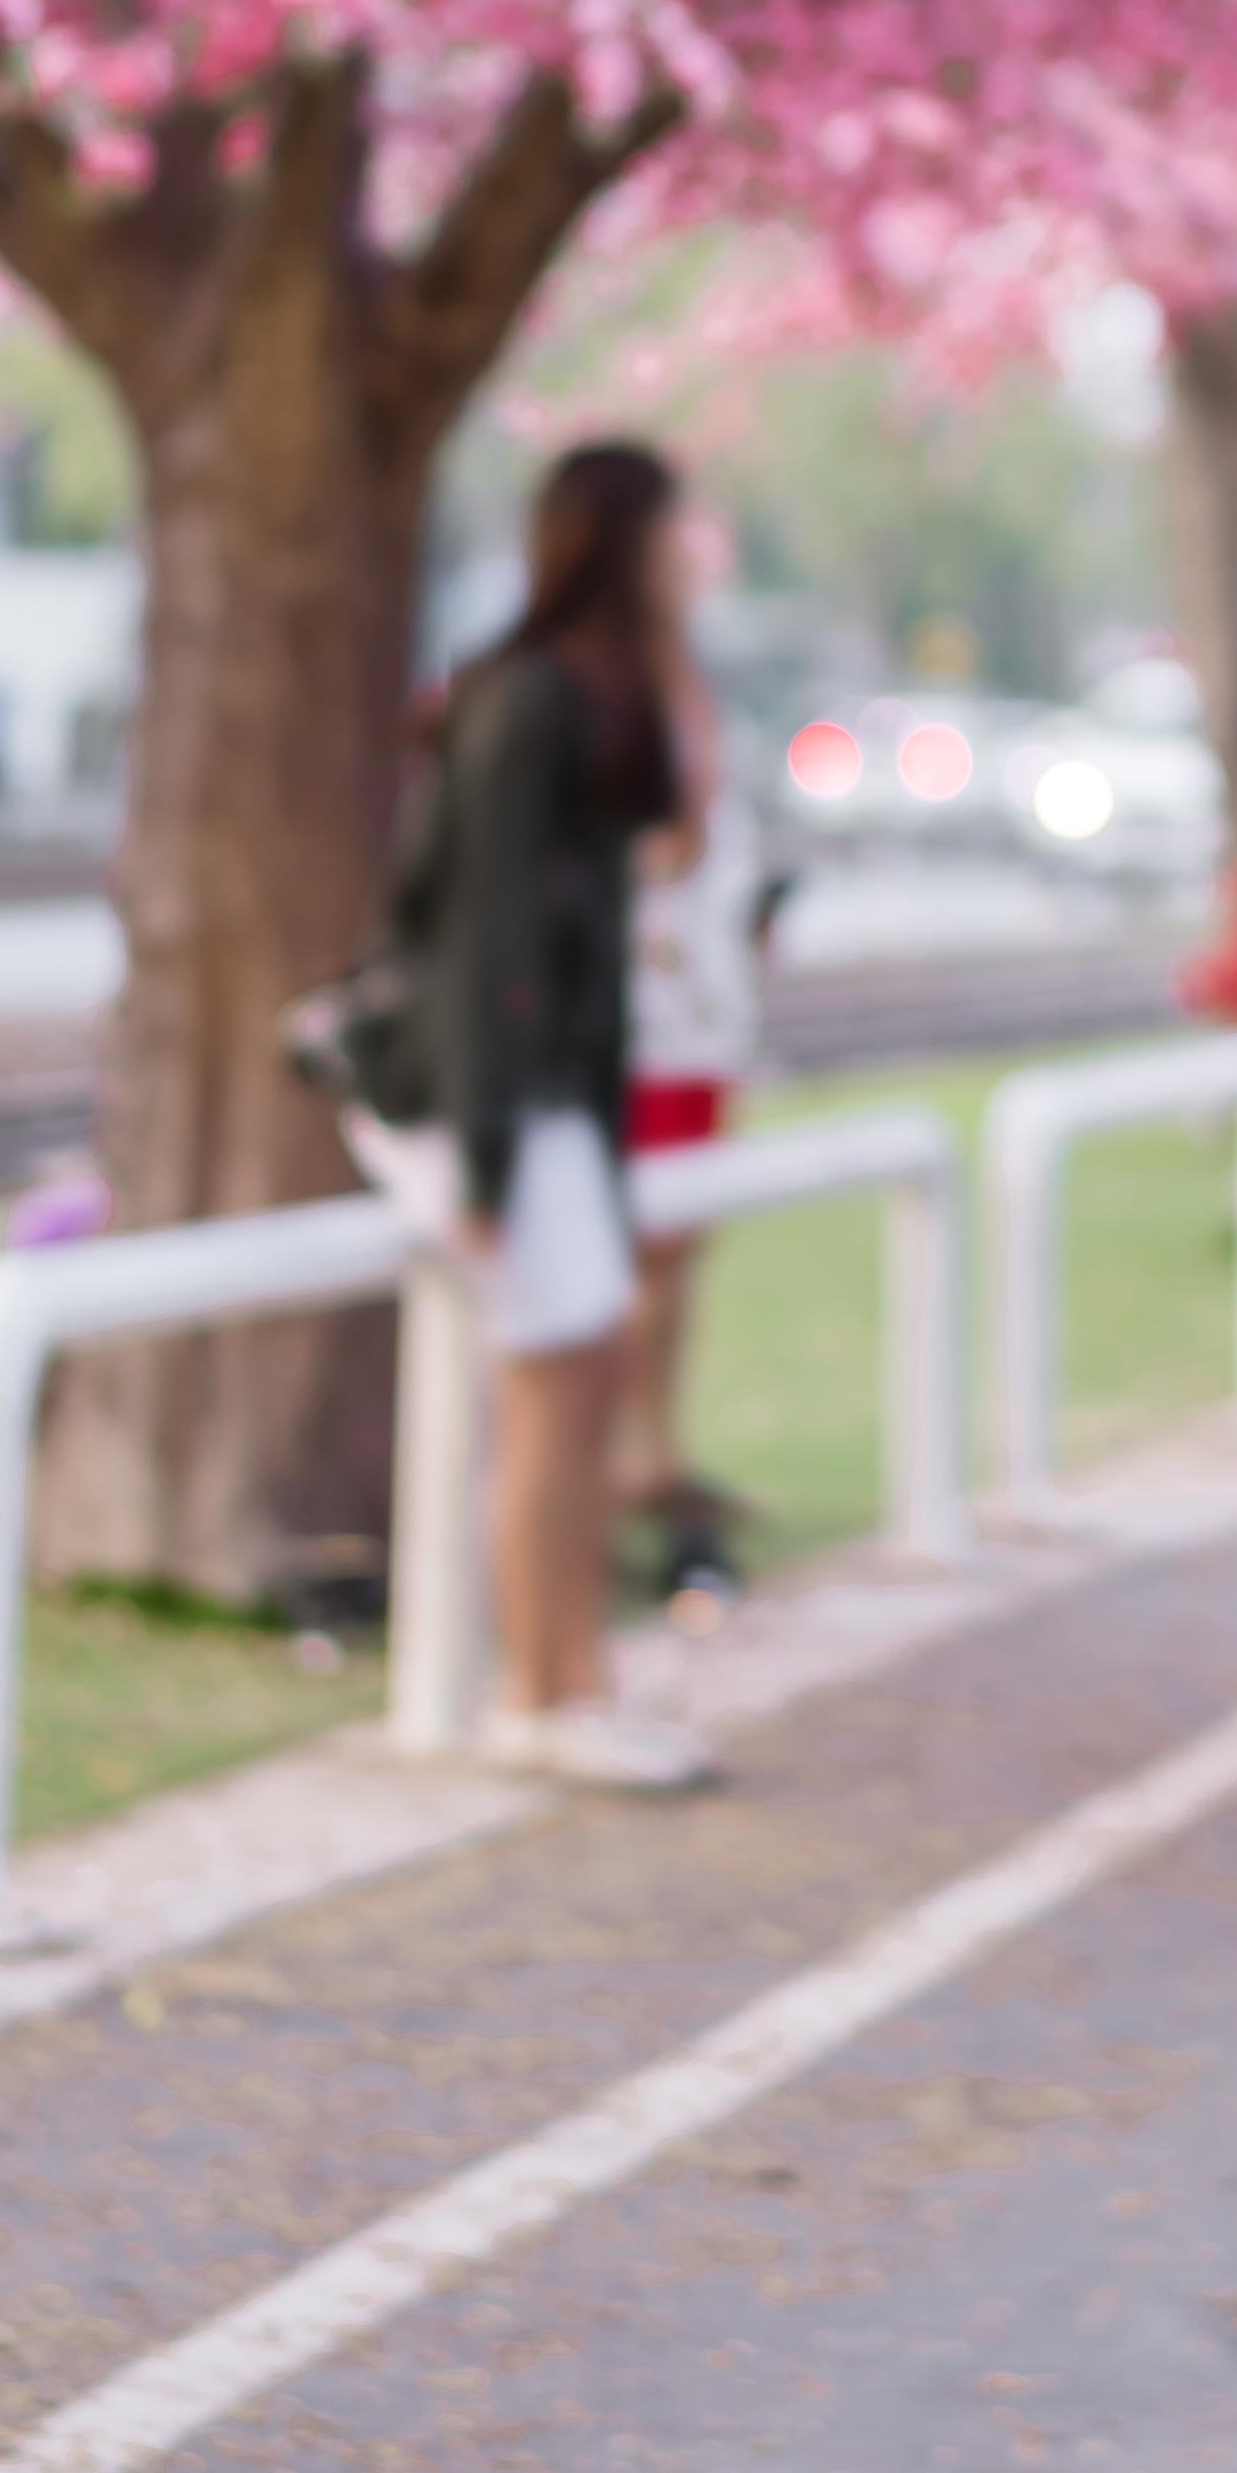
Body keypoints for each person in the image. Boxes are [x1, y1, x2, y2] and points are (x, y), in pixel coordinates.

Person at [409, 439, 714, 1791]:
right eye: (671, 539)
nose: (690, 559)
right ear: (619, 544)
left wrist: (675, 653)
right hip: (499, 1091)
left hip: (558, 1099)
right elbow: (490, 943)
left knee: (584, 1374)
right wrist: (485, 1150)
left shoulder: (600, 701)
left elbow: (682, 824)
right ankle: (537, 1687)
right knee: (557, 1378)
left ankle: (574, 1672)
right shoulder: (527, 706)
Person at [610, 508, 768, 1610]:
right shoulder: (621, 697)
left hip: (697, 1018)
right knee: (638, 1260)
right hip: (645, 1023)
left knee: (677, 1258)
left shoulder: (686, 689)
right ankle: (626, 1454)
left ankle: (654, 1448)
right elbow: (670, 839)